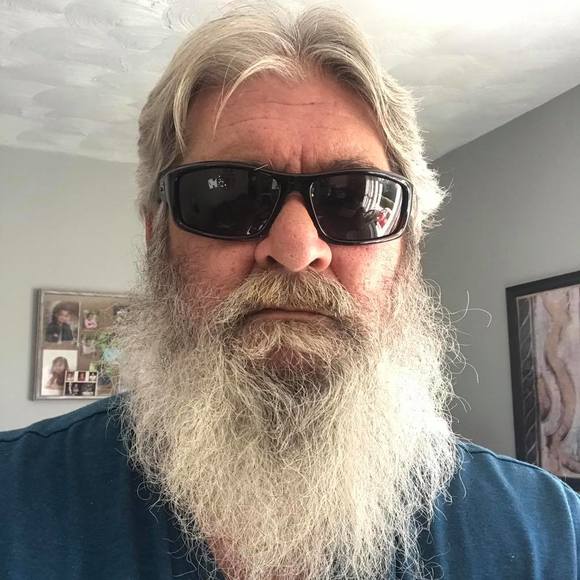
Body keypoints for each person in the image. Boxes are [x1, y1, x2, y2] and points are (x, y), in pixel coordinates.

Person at [1, 4, 578, 580]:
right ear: (157, 236)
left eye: (352, 199)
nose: (298, 250)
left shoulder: (549, 535)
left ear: (408, 248)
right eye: (227, 195)